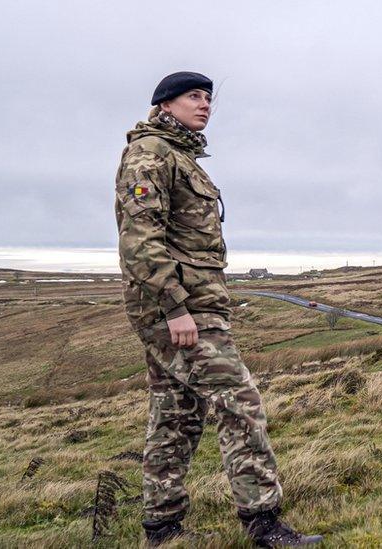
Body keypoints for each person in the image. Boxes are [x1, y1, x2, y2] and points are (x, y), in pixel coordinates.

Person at [114, 71, 322, 546]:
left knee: (176, 412)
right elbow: (140, 240)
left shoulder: (180, 156)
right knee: (239, 400)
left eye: (209, 97)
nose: (205, 104)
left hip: (193, 306)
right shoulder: (150, 154)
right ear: (166, 104)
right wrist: (174, 308)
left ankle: (161, 527)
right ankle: (263, 521)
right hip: (180, 310)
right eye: (194, 96)